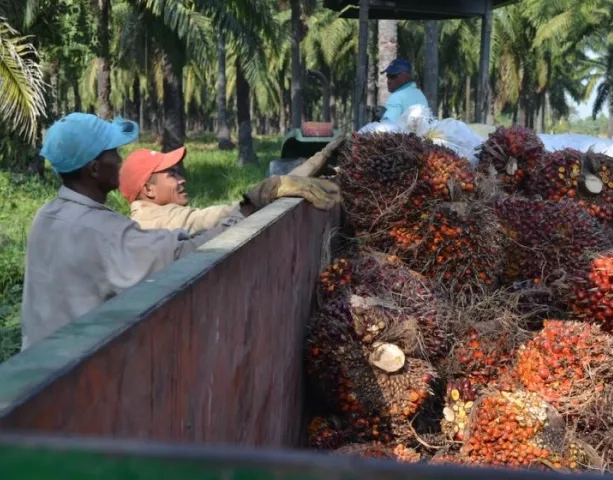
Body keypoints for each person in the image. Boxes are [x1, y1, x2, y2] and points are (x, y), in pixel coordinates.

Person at [20, 113, 337, 350]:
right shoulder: (105, 233)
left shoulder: (47, 216)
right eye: (113, 154)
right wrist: (250, 206)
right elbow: (187, 257)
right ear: (93, 168)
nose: (119, 160)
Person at [119, 147, 339, 234]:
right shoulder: (161, 224)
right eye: (172, 174)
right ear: (148, 189)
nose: (182, 180)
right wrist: (259, 196)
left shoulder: (147, 219)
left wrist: (314, 162)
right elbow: (214, 217)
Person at [379, 58, 429, 124]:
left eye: (393, 76)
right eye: (388, 76)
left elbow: (387, 127)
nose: (389, 81)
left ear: (406, 76)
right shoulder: (420, 95)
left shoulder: (396, 97)